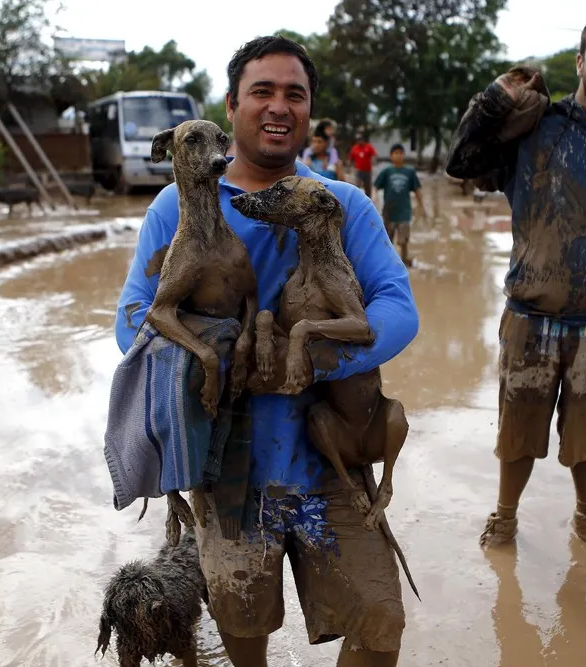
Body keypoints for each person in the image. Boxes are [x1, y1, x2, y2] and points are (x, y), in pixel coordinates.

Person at [114, 35, 418, 667]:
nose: (279, 106)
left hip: (326, 449)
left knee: (379, 618)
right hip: (225, 458)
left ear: (308, 110)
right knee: (239, 614)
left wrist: (316, 361)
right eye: (262, 91)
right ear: (231, 108)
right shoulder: (177, 207)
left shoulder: (342, 204)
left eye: (295, 95)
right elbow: (133, 319)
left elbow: (397, 307)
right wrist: (217, 359)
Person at [445, 8, 586, 549]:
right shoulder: (536, 127)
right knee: (517, 433)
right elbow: (462, 161)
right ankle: (505, 515)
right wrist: (497, 100)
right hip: (531, 316)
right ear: (581, 59)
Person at [374, 143, 423, 267]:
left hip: (404, 211)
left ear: (403, 155)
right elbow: (376, 186)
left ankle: (404, 260)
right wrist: (374, 199)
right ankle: (388, 262)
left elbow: (417, 189)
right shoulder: (387, 171)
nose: (398, 155)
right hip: (389, 211)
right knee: (388, 240)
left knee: (403, 240)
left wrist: (421, 205)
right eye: (395, 153)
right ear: (391, 156)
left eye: (400, 153)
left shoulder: (410, 171)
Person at [349, 131, 377, 196]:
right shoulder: (354, 148)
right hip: (359, 170)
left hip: (367, 170)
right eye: (358, 140)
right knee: (357, 186)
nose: (359, 141)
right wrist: (350, 167)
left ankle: (368, 199)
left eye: (360, 139)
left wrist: (373, 160)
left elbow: (374, 155)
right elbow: (351, 158)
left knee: (368, 187)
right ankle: (357, 199)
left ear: (363, 139)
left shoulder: (368, 146)